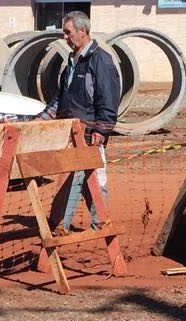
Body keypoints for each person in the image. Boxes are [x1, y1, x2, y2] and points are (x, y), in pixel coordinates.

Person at [36, 11, 120, 235]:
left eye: (68, 32)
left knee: (77, 177)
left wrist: (101, 129)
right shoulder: (71, 61)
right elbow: (60, 98)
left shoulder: (100, 60)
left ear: (83, 32)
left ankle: (60, 225)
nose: (65, 37)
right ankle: (100, 222)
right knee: (87, 178)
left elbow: (108, 97)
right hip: (70, 129)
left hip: (89, 131)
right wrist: (42, 120)